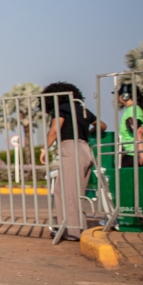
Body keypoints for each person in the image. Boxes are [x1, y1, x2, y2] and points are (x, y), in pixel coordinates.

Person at [41, 82, 103, 240]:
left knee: (70, 193)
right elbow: (102, 125)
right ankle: (67, 227)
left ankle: (73, 232)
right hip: (85, 149)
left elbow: (55, 130)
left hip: (70, 148)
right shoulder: (82, 110)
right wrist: (88, 133)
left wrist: (44, 149)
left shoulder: (61, 109)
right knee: (62, 191)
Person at [117, 84, 143, 168]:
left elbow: (139, 131)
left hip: (136, 153)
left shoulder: (132, 110)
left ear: (125, 96)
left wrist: (140, 153)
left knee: (118, 173)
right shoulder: (134, 109)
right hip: (135, 152)